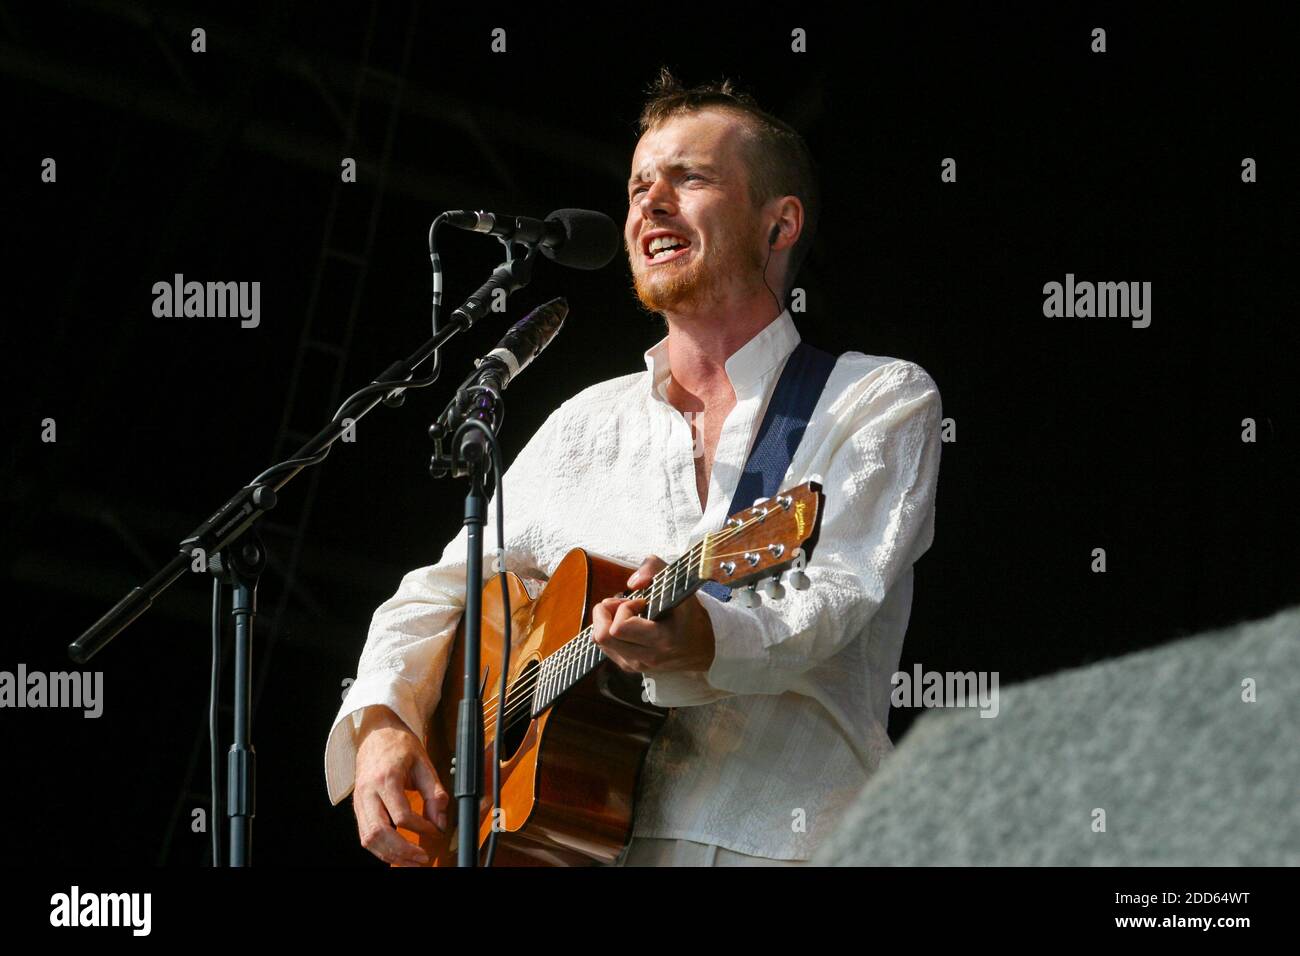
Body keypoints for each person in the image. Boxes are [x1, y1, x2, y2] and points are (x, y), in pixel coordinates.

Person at [324, 67, 943, 867]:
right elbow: (438, 591)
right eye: (639, 184)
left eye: (690, 179)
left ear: (778, 224)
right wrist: (380, 723)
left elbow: (832, 602)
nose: (650, 202)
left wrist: (699, 637)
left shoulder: (875, 397)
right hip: (569, 845)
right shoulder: (588, 422)